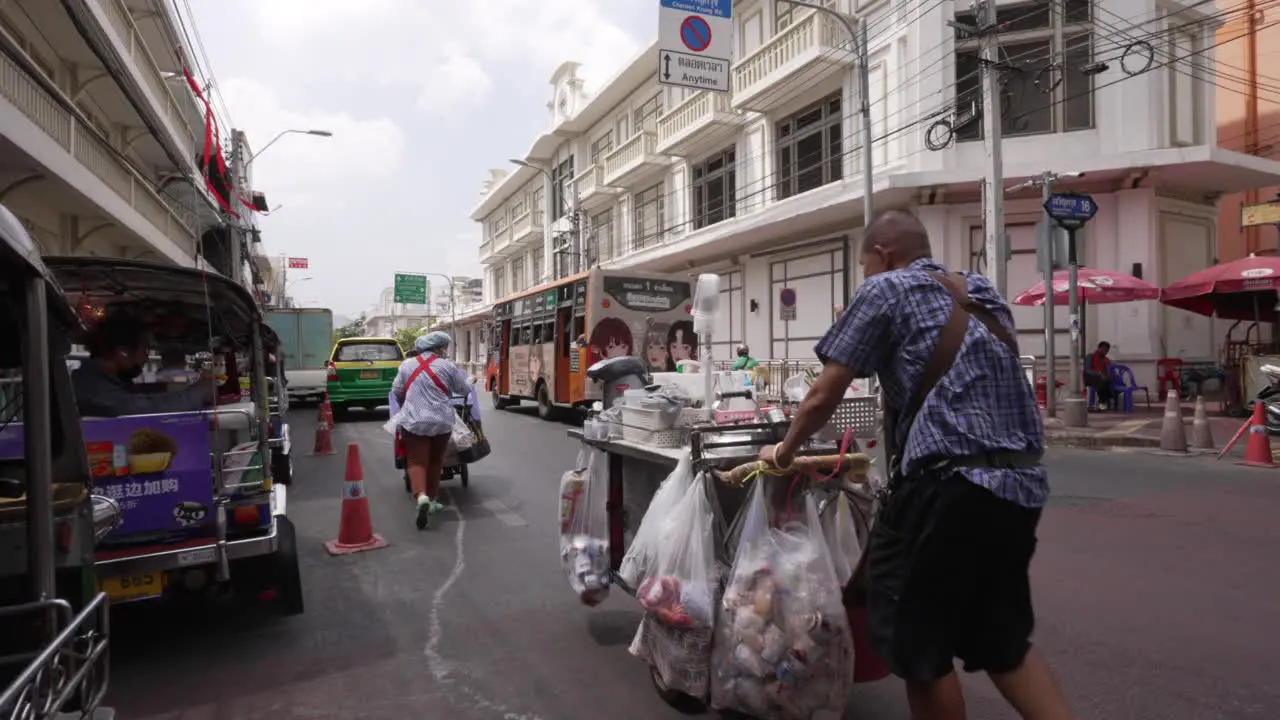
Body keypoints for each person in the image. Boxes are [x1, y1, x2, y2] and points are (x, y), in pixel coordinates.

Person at [759, 210, 1074, 720]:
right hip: (1019, 486)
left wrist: (783, 451)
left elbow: (823, 393)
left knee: (918, 645)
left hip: (947, 488)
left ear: (882, 254)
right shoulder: (981, 292)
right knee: (1002, 640)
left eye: (866, 264)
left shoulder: (883, 289)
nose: (867, 274)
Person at [391, 331, 472, 530]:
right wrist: (470, 383)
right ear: (437, 348)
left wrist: (406, 404)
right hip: (441, 421)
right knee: (436, 461)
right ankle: (433, 499)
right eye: (443, 348)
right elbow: (463, 390)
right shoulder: (447, 366)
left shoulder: (406, 365)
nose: (445, 351)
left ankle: (422, 497)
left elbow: (397, 390)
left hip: (414, 421)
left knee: (417, 461)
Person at [72, 313, 215, 418]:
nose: (147, 358)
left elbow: (134, 393)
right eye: (145, 350)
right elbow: (144, 408)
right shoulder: (93, 390)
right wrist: (201, 390)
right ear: (123, 352)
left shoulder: (97, 378)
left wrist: (170, 387)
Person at [1084, 341, 1113, 410]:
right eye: (1104, 349)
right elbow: (1087, 370)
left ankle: (1105, 401)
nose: (1105, 352)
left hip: (1102, 378)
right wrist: (1099, 374)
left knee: (1109, 381)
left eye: (1107, 350)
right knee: (1102, 381)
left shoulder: (1106, 360)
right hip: (1090, 377)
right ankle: (1101, 402)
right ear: (1099, 348)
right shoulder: (1090, 356)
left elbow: (1109, 369)